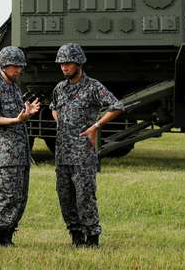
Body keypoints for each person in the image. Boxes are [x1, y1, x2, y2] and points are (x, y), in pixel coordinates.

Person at [50, 43, 125, 247]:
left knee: (85, 197)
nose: (64, 67)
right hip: (62, 154)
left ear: (79, 63)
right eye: (61, 64)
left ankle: (92, 238)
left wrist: (96, 126)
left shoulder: (93, 87)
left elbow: (117, 106)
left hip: (83, 154)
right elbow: (54, 106)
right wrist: (60, 120)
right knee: (65, 198)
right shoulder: (59, 88)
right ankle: (76, 236)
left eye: (68, 63)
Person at [0, 46, 41, 247]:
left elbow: (19, 116)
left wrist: (27, 113)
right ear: (3, 66)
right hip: (8, 154)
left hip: (22, 152)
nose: (18, 70)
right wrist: (17, 120)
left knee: (20, 197)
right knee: (6, 195)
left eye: (20, 66)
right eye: (15, 66)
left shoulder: (15, 88)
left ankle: (8, 235)